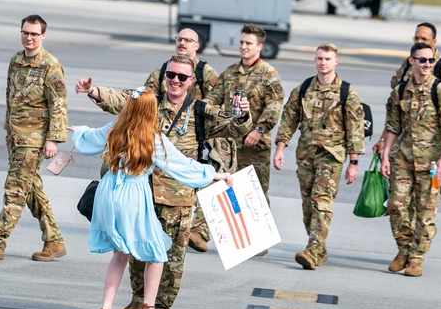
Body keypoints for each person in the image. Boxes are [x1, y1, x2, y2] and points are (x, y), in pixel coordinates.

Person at [76, 55, 249, 309]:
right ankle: (142, 304)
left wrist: (244, 115)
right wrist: (93, 91)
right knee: (139, 253)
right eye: (171, 75)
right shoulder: (149, 112)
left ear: (191, 81)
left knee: (168, 257)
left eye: (181, 77)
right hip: (142, 193)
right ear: (164, 76)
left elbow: (234, 125)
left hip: (173, 196)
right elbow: (119, 101)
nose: (175, 81)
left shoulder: (200, 111)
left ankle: (155, 307)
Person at [0, 15, 68, 262]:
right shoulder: (16, 61)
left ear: (43, 36)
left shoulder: (50, 65)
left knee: (15, 189)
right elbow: (10, 97)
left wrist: (53, 139)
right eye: (25, 32)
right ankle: (54, 240)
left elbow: (59, 104)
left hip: (34, 139)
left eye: (34, 34)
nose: (29, 38)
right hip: (16, 136)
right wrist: (8, 131)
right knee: (32, 189)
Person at [273, 43, 365, 270]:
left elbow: (356, 130)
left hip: (332, 156)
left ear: (336, 62)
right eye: (320, 58)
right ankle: (319, 248)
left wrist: (353, 163)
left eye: (327, 59)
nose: (323, 62)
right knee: (308, 206)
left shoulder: (347, 93)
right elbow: (289, 120)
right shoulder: (303, 89)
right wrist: (280, 148)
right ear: (315, 61)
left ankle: (313, 251)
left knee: (321, 201)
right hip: (305, 155)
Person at [379, 42, 441, 277]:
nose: (426, 64)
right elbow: (392, 125)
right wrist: (385, 155)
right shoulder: (401, 90)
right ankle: (403, 250)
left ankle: (416, 258)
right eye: (422, 60)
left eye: (430, 60)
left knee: (425, 213)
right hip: (403, 158)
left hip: (431, 164)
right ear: (411, 61)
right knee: (396, 206)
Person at [142, 28, 221, 253]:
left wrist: (196, 112)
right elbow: (145, 96)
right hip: (161, 137)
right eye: (179, 39)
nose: (182, 43)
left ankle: (199, 229)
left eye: (188, 40)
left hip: (194, 132)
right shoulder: (163, 70)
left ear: (197, 45)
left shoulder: (206, 72)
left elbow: (217, 99)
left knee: (200, 180)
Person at [203, 24, 284, 218]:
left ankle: (261, 240)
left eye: (249, 43)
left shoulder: (268, 74)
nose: (243, 47)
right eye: (241, 42)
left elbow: (274, 105)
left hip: (255, 146)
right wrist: (203, 110)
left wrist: (259, 130)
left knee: (257, 193)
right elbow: (214, 98)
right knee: (230, 192)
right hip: (230, 145)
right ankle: (238, 240)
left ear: (260, 46)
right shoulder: (230, 72)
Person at [376, 22, 441, 158]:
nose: (419, 42)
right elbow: (396, 111)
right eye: (416, 38)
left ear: (434, 42)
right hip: (406, 143)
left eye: (424, 39)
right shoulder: (409, 63)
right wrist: (383, 139)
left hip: (433, 146)